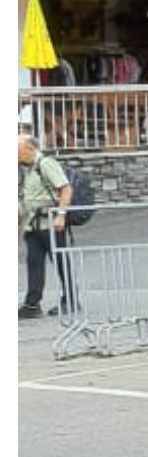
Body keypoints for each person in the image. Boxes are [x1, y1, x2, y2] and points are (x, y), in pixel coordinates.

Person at [17, 130, 75, 320]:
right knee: (34, 263)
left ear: (29, 148)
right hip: (32, 226)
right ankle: (32, 303)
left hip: (51, 224)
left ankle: (71, 300)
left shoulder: (46, 164)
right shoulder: (24, 168)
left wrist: (61, 215)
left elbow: (65, 189)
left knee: (60, 262)